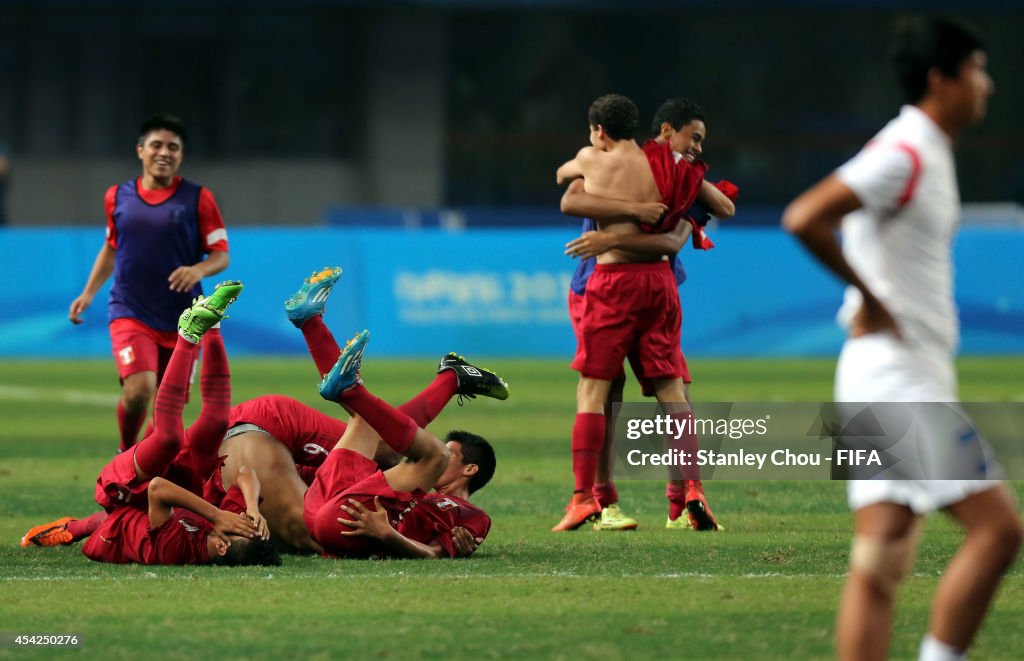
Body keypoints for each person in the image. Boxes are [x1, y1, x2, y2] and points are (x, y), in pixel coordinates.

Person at [782, 17, 1021, 661]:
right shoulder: (906, 150)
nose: (987, 85)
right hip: (893, 374)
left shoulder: (926, 149)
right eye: (977, 69)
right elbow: (805, 217)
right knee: (998, 530)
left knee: (880, 560)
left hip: (882, 371)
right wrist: (874, 300)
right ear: (941, 79)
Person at [560, 98, 737, 532]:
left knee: (599, 392)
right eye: (691, 138)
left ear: (599, 129)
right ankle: (669, 495)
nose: (695, 147)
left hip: (613, 281)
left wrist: (611, 236)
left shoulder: (601, 159)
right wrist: (643, 209)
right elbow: (721, 209)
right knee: (666, 391)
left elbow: (568, 189)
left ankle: (596, 499)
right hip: (643, 286)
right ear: (663, 132)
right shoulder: (671, 170)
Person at [23, 283, 279, 566]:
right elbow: (244, 472)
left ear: (221, 546)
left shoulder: (175, 550)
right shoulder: (230, 530)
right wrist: (253, 508)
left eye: (240, 526)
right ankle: (213, 323)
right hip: (171, 491)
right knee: (216, 422)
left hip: (132, 493)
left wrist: (217, 515)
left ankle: (188, 333)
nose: (239, 521)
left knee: (168, 438)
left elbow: (157, 488)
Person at [68, 114, 231, 454]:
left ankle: (143, 469)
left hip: (184, 319)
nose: (164, 152)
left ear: (181, 156)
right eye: (156, 145)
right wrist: (88, 293)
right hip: (131, 309)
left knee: (166, 415)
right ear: (140, 150)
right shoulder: (117, 197)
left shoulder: (198, 199)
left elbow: (220, 255)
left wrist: (199, 270)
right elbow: (113, 247)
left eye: (173, 147)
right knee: (139, 390)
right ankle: (126, 451)